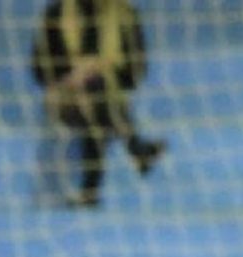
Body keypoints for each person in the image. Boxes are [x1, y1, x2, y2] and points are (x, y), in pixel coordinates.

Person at [32, 0, 166, 208]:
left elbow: (135, 74)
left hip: (108, 95)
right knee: (97, 97)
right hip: (66, 99)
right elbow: (40, 71)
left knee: (96, 94)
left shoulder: (125, 14)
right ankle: (136, 148)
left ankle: (89, 194)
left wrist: (99, 70)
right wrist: (73, 77)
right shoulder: (57, 12)